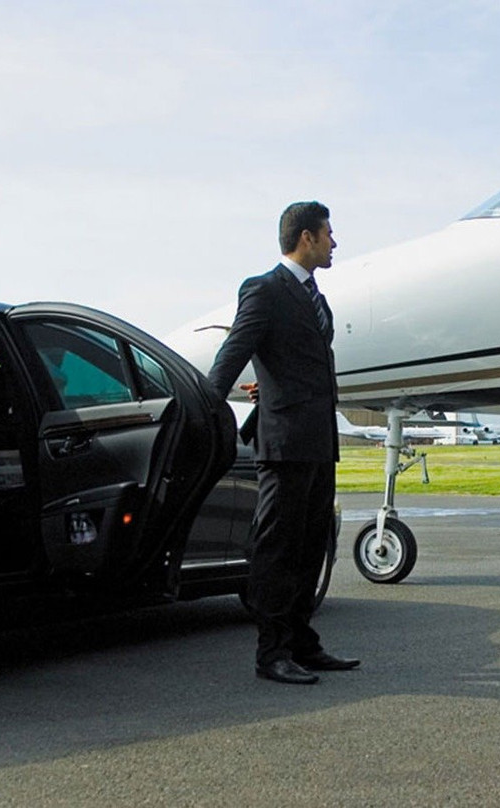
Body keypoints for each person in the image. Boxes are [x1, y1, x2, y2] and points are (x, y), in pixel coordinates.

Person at [208, 200, 358, 684]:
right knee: (278, 549)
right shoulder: (265, 290)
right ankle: (271, 652)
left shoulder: (317, 297)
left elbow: (293, 363)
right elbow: (237, 350)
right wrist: (208, 408)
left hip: (317, 441)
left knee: (312, 546)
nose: (335, 242)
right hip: (284, 443)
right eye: (329, 234)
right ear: (306, 238)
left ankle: (301, 642)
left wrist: (270, 385)